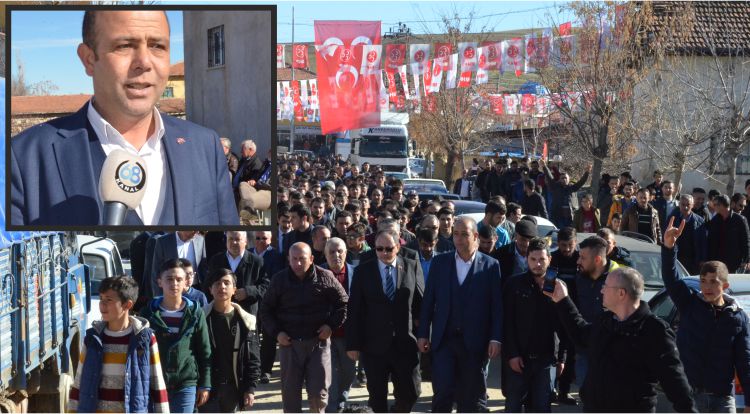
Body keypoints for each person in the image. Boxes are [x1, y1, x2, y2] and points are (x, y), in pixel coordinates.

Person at [11, 11, 238, 226]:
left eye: (157, 46)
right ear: (89, 59)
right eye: (125, 46)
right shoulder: (23, 158)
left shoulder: (205, 146)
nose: (144, 62)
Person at [545, 268, 696, 412]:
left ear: (621, 293)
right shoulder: (606, 321)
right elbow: (581, 335)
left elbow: (675, 382)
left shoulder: (654, 331)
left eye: (606, 286)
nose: (602, 290)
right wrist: (563, 300)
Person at [417, 217, 502, 413]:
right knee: (443, 394)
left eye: (464, 235)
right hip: (444, 340)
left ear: (475, 236)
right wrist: (423, 333)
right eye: (456, 234)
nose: (459, 239)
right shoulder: (440, 263)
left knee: (472, 399)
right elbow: (429, 301)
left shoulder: (490, 266)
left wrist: (496, 338)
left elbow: (496, 306)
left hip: (475, 343)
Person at [259, 243, 348, 413]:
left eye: (302, 259)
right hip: (289, 344)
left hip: (318, 343)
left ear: (312, 259)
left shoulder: (325, 277)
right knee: (290, 394)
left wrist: (330, 326)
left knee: (319, 394)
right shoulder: (279, 279)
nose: (298, 263)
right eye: (294, 259)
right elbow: (266, 310)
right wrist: (277, 333)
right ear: (289, 259)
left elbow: (343, 304)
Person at [346, 230, 424, 413]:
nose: (384, 253)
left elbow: (422, 303)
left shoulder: (411, 266)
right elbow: (355, 309)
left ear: (398, 247)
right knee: (377, 397)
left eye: (389, 248)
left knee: (412, 391)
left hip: (405, 343)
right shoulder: (363, 271)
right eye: (379, 249)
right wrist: (353, 344)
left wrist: (424, 336)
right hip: (374, 346)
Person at [68, 276, 170, 412]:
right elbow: (78, 383)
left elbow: (157, 384)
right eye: (101, 299)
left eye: (109, 300)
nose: (102, 305)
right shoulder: (93, 339)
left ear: (127, 305)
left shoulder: (145, 339)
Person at [502, 238, 566, 412]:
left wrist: (561, 358)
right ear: (527, 259)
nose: (538, 264)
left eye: (542, 260)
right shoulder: (514, 284)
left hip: (546, 359)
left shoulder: (559, 287)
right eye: (533, 259)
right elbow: (507, 323)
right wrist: (512, 354)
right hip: (518, 358)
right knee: (513, 406)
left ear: (549, 260)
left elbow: (564, 326)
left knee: (541, 406)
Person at [140, 259, 212, 413]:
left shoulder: (195, 313)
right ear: (160, 281)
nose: (174, 284)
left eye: (179, 279)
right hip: (154, 383)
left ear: (186, 282)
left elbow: (204, 350)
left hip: (185, 383)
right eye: (169, 279)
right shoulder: (147, 313)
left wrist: (205, 384)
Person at [201, 268, 261, 413]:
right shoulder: (201, 318)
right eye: (217, 283)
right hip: (207, 388)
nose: (222, 287)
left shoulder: (247, 321)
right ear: (210, 289)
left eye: (226, 283)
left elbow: (253, 358)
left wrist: (250, 388)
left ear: (234, 289)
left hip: (233, 388)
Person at [570, 236, 620, 384]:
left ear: (597, 260)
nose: (578, 261)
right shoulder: (579, 279)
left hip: (609, 353)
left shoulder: (618, 280)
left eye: (583, 258)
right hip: (584, 351)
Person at [321, 238, 357, 413]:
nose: (336, 255)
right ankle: (332, 409)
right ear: (325, 255)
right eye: (332, 252)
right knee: (330, 378)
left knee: (349, 374)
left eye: (340, 251)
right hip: (325, 336)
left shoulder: (356, 273)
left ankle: (341, 404)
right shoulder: (316, 273)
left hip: (349, 335)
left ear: (346, 252)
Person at [548, 227, 578, 404]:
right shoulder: (553, 259)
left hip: (574, 312)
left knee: (571, 354)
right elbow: (548, 285)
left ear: (575, 243)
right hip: (554, 312)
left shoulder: (580, 259)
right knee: (553, 352)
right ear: (558, 244)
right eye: (563, 245)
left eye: (569, 245)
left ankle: (564, 391)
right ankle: (550, 388)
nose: (566, 249)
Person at [207, 231, 268, 317]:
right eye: (231, 239)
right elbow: (208, 285)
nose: (234, 242)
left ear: (246, 241)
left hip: (247, 314)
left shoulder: (257, 262)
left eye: (237, 239)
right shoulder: (216, 260)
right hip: (220, 314)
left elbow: (266, 287)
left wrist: (248, 292)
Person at [150, 230, 207, 296]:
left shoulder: (200, 240)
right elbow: (156, 272)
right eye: (193, 229)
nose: (197, 232)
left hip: (195, 291)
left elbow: (203, 269)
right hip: (172, 291)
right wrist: (159, 298)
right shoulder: (163, 242)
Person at [665, 195, 707, 275]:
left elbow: (703, 242)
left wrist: (702, 259)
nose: (685, 207)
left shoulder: (699, 221)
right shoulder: (672, 219)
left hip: (693, 259)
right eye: (683, 205)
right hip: (677, 256)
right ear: (679, 204)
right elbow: (666, 236)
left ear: (692, 205)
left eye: (688, 205)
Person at [707, 194, 750, 273]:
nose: (714, 207)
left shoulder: (740, 220)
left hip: (735, 262)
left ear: (722, 205)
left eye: (716, 205)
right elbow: (711, 242)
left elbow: (746, 241)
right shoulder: (714, 221)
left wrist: (746, 260)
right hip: (718, 262)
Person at [542, 160, 591, 228]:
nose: (564, 179)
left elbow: (581, 182)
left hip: (570, 217)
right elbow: (549, 177)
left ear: (569, 179)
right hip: (558, 216)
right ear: (559, 179)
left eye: (565, 178)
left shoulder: (572, 188)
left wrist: (587, 172)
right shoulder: (555, 187)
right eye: (562, 178)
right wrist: (544, 166)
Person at [495, 219, 538, 286]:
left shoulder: (540, 256)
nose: (527, 244)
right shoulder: (500, 254)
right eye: (523, 239)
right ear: (515, 236)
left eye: (530, 240)